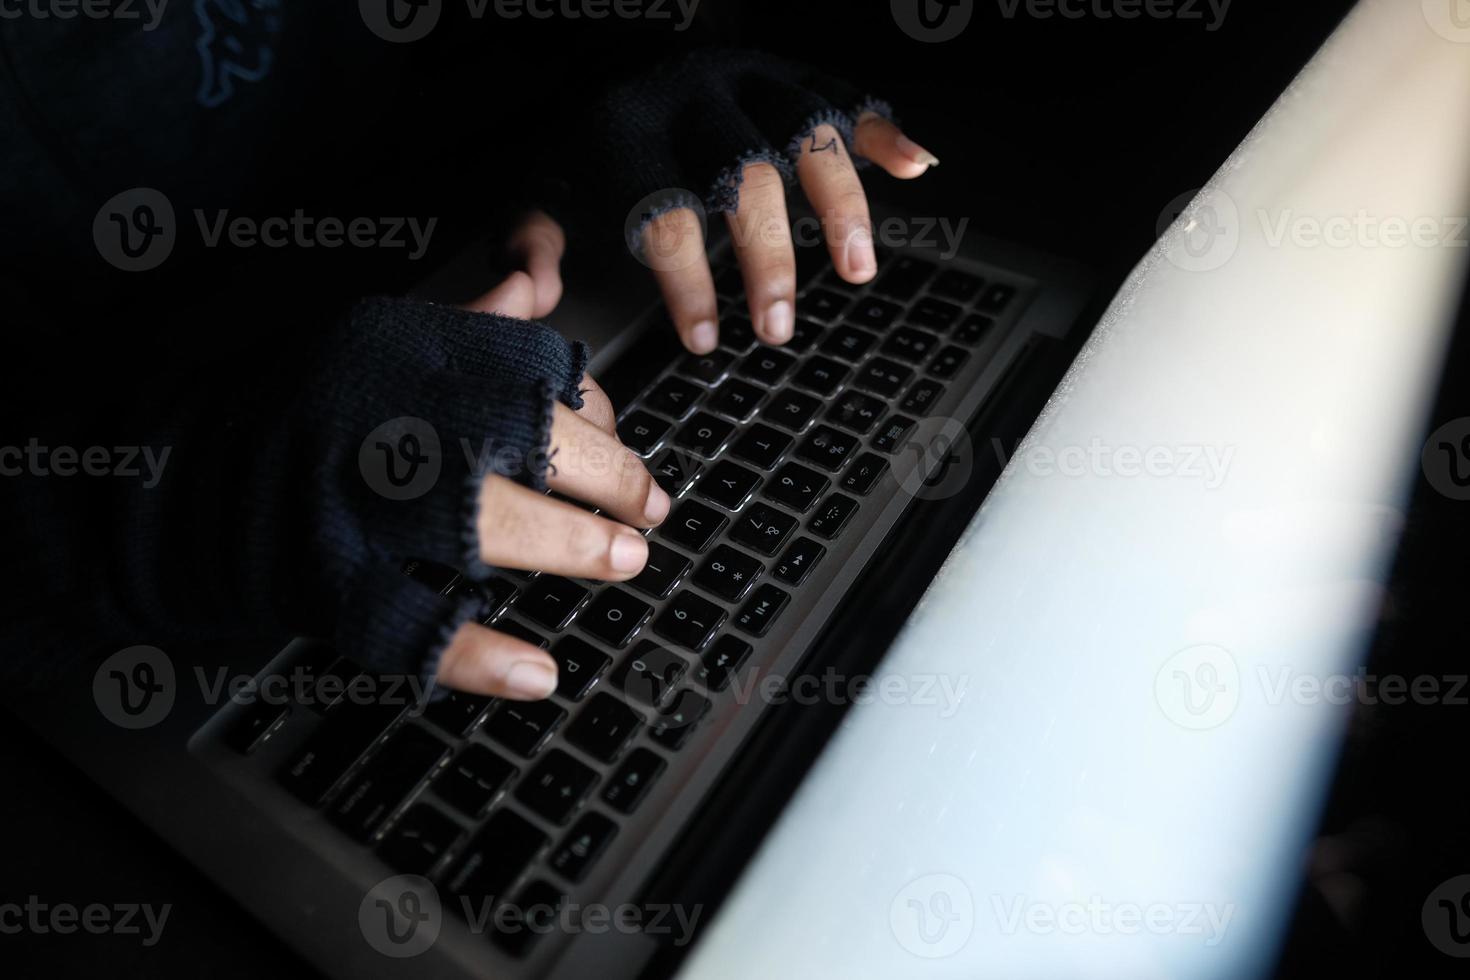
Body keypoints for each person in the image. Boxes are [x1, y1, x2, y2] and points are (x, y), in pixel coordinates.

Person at [0, 5, 937, 705]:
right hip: (191, 593)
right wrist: (176, 501)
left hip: (510, 303)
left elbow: (457, 54)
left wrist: (624, 95)